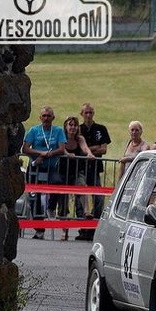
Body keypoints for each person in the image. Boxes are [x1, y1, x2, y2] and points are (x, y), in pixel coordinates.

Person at [22, 106, 66, 240]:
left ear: (53, 117)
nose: (46, 118)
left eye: (49, 116)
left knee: (57, 183)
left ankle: (51, 208)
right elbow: (25, 148)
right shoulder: (34, 130)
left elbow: (62, 149)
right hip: (35, 167)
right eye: (44, 116)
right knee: (34, 197)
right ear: (40, 118)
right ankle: (39, 229)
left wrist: (48, 154)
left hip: (51, 167)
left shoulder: (58, 130)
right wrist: (40, 154)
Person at [75, 103, 111, 241]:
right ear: (82, 114)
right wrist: (92, 149)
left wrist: (88, 149)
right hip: (81, 167)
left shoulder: (100, 129)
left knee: (99, 199)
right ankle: (83, 228)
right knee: (81, 197)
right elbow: (79, 150)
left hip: (95, 168)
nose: (88, 115)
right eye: (86, 113)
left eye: (90, 112)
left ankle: (95, 228)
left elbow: (104, 149)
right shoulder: (78, 129)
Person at [57, 116, 94, 240]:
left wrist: (89, 154)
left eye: (75, 125)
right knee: (63, 202)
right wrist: (68, 154)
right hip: (62, 172)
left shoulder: (80, 138)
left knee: (82, 186)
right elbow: (61, 149)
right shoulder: (61, 137)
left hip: (77, 170)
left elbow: (85, 148)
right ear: (66, 126)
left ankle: (86, 211)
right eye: (70, 125)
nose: (73, 127)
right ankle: (64, 231)